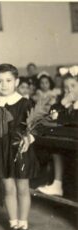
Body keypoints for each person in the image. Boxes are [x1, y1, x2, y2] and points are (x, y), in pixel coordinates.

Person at [0, 64, 39, 230]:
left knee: (23, 189)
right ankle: (13, 224)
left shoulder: (24, 103)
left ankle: (23, 225)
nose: (4, 85)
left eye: (8, 80)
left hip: (20, 150)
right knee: (8, 189)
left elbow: (36, 126)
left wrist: (29, 138)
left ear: (16, 81)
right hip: (1, 151)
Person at [37, 65, 78, 196]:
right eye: (65, 88)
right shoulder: (61, 103)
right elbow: (50, 117)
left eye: (73, 86)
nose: (69, 90)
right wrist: (63, 105)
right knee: (55, 148)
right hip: (68, 143)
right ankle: (57, 184)